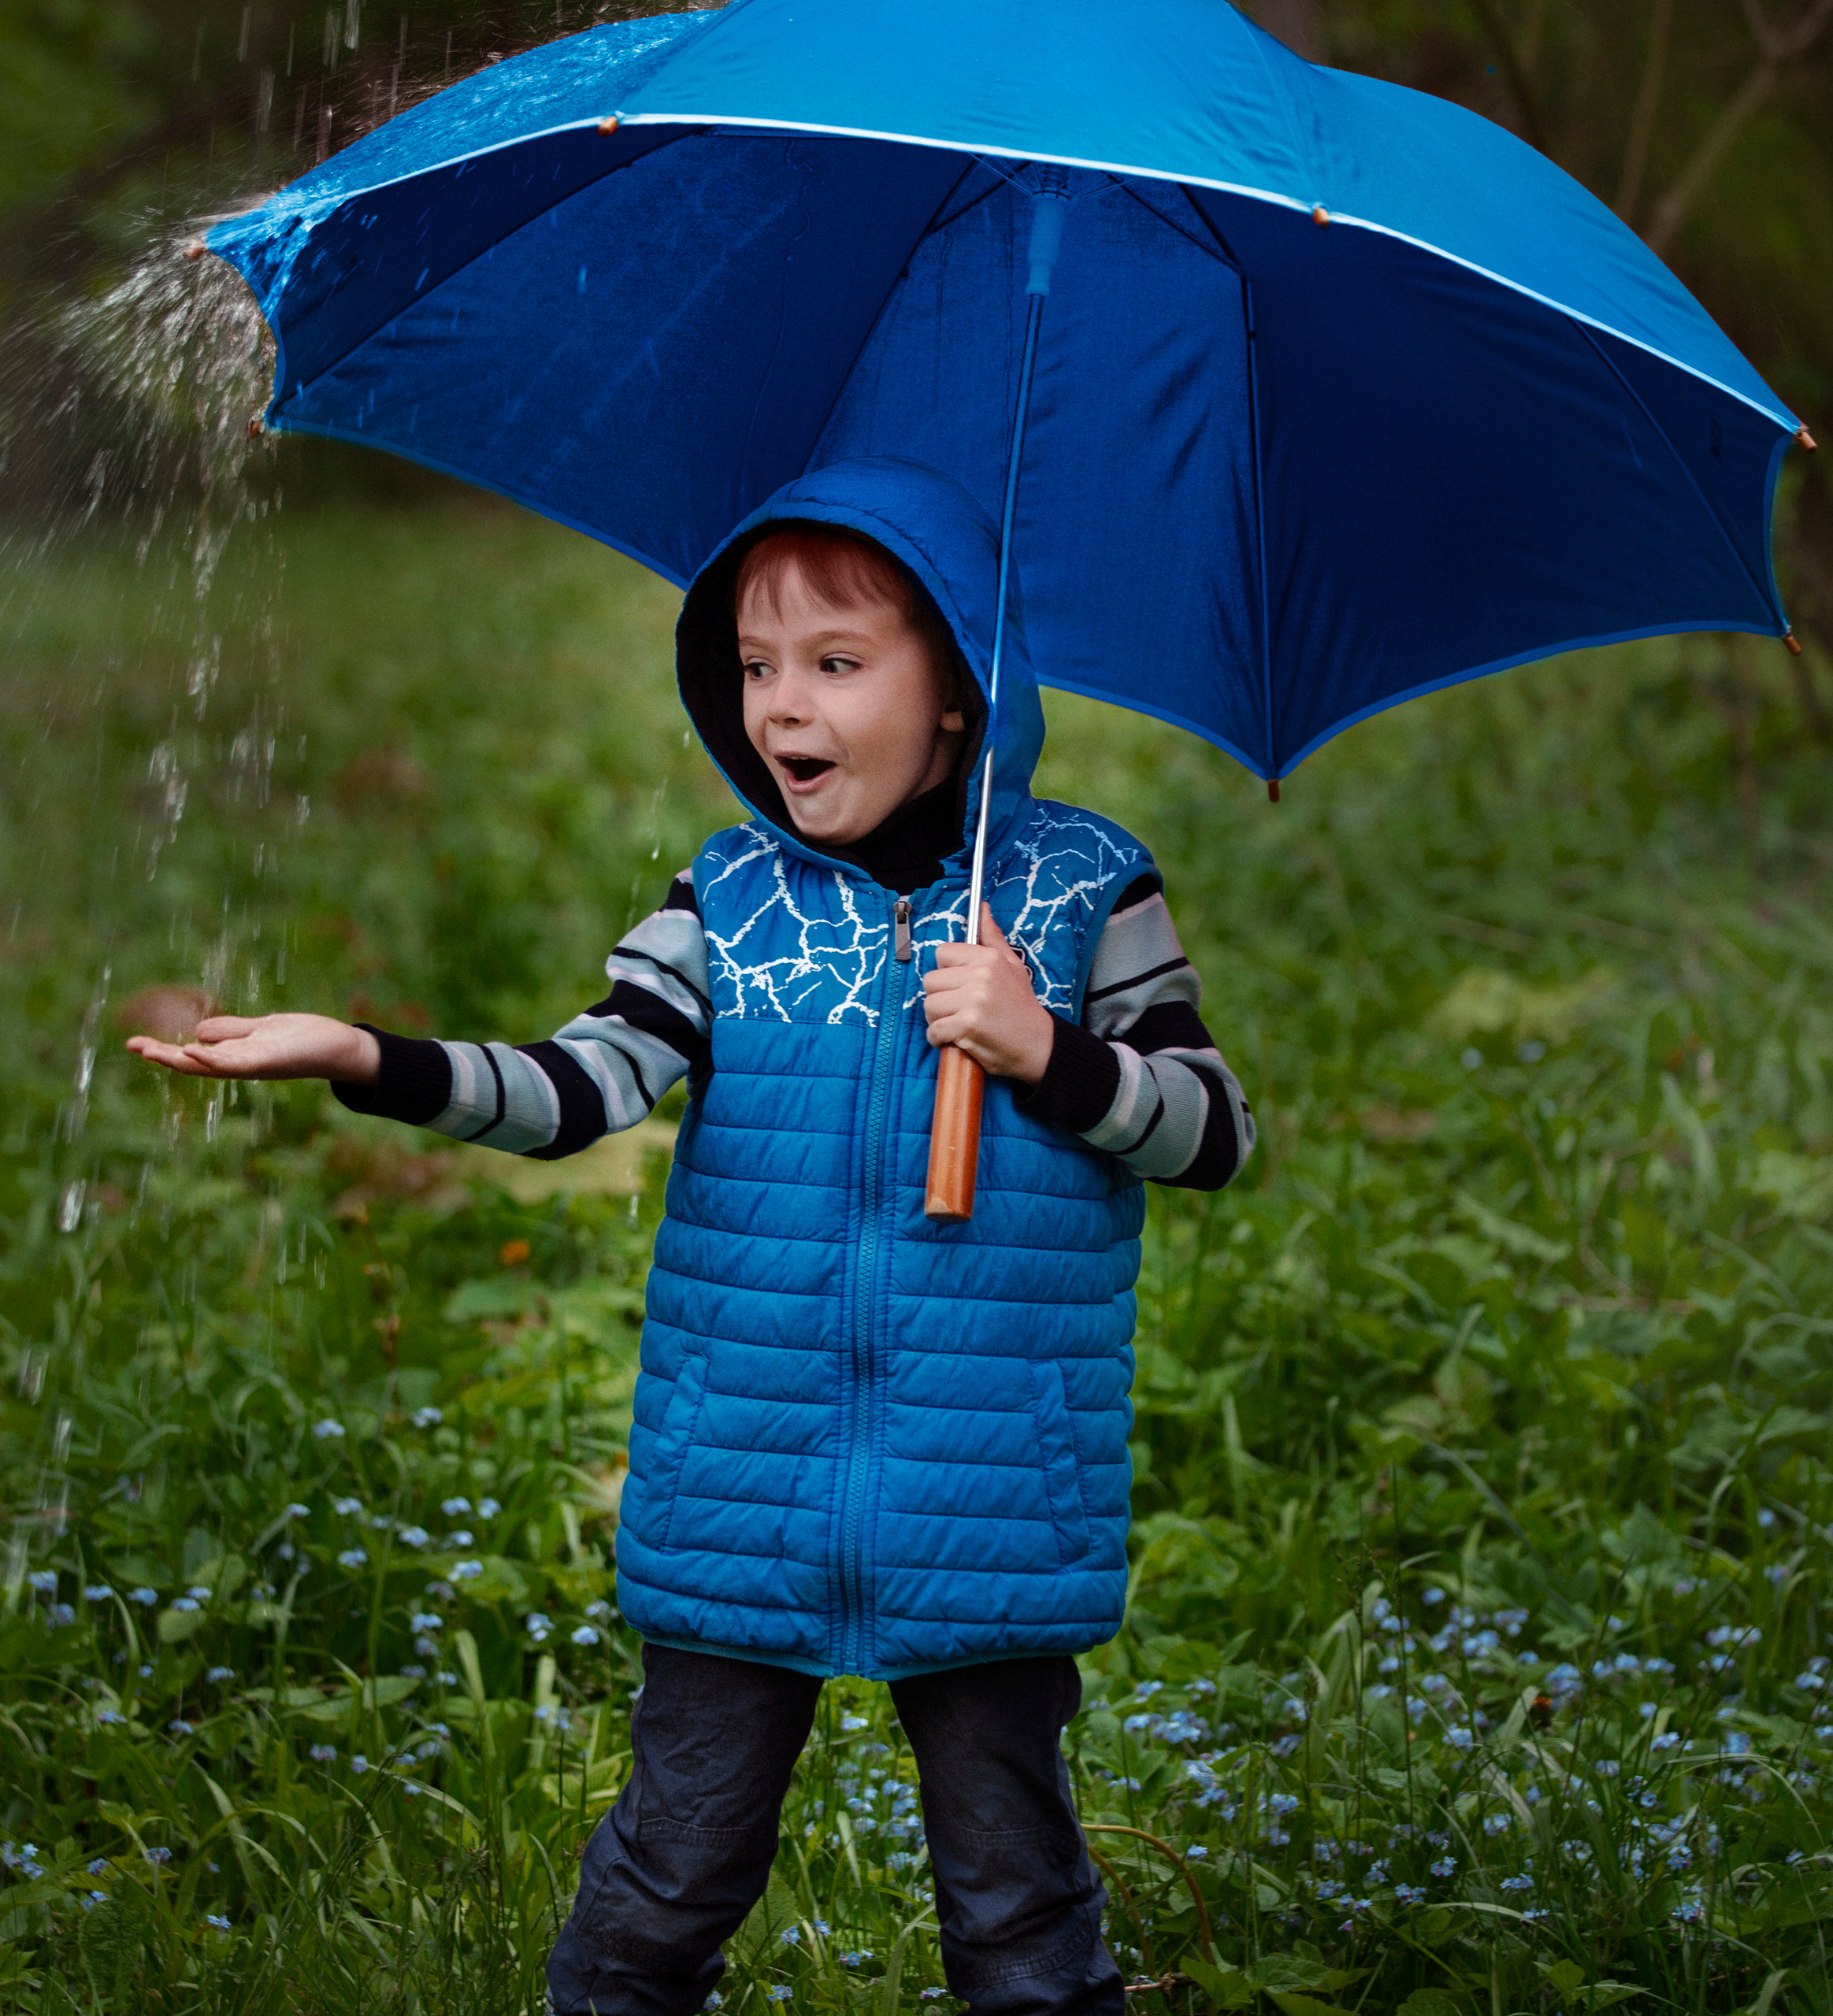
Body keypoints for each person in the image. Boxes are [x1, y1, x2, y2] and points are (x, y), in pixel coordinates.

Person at [129, 459, 1255, 2015]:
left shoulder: (1075, 889)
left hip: (991, 1476)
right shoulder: (728, 898)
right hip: (745, 1470)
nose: (780, 704)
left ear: (960, 688)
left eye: (835, 663)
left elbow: (1212, 1130)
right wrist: (359, 1055)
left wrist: (1040, 1049)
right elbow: (573, 1089)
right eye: (752, 664)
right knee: (670, 1872)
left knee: (1018, 1905)